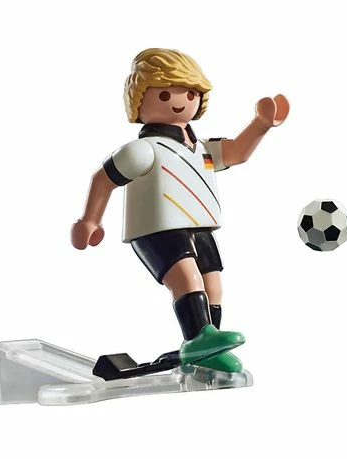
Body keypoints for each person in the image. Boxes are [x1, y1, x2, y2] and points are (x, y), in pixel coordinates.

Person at [71, 48, 289, 372]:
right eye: (163, 94)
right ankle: (199, 339)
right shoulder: (144, 150)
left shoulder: (201, 149)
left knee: (212, 284)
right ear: (138, 101)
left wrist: (261, 125)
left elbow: (237, 152)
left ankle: (209, 345)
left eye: (189, 93)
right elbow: (103, 179)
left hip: (198, 227)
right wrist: (90, 220)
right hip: (156, 229)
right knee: (188, 279)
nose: (179, 101)